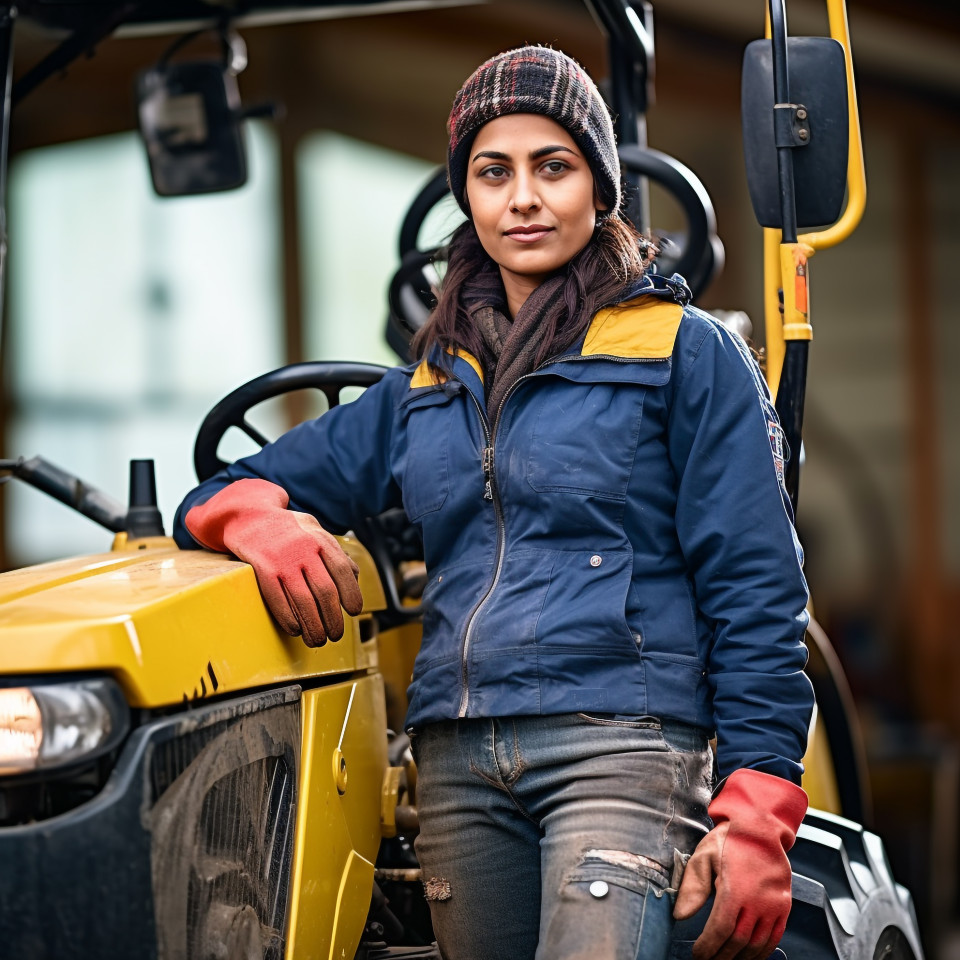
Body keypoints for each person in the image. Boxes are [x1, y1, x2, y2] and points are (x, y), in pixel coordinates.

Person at [174, 45, 814, 960]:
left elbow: (757, 588)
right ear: (466, 198)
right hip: (458, 765)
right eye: (493, 172)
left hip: (621, 748)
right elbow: (231, 484)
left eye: (553, 167)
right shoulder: (425, 390)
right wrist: (251, 519)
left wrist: (757, 812)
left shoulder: (684, 353)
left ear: (599, 188)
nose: (523, 198)